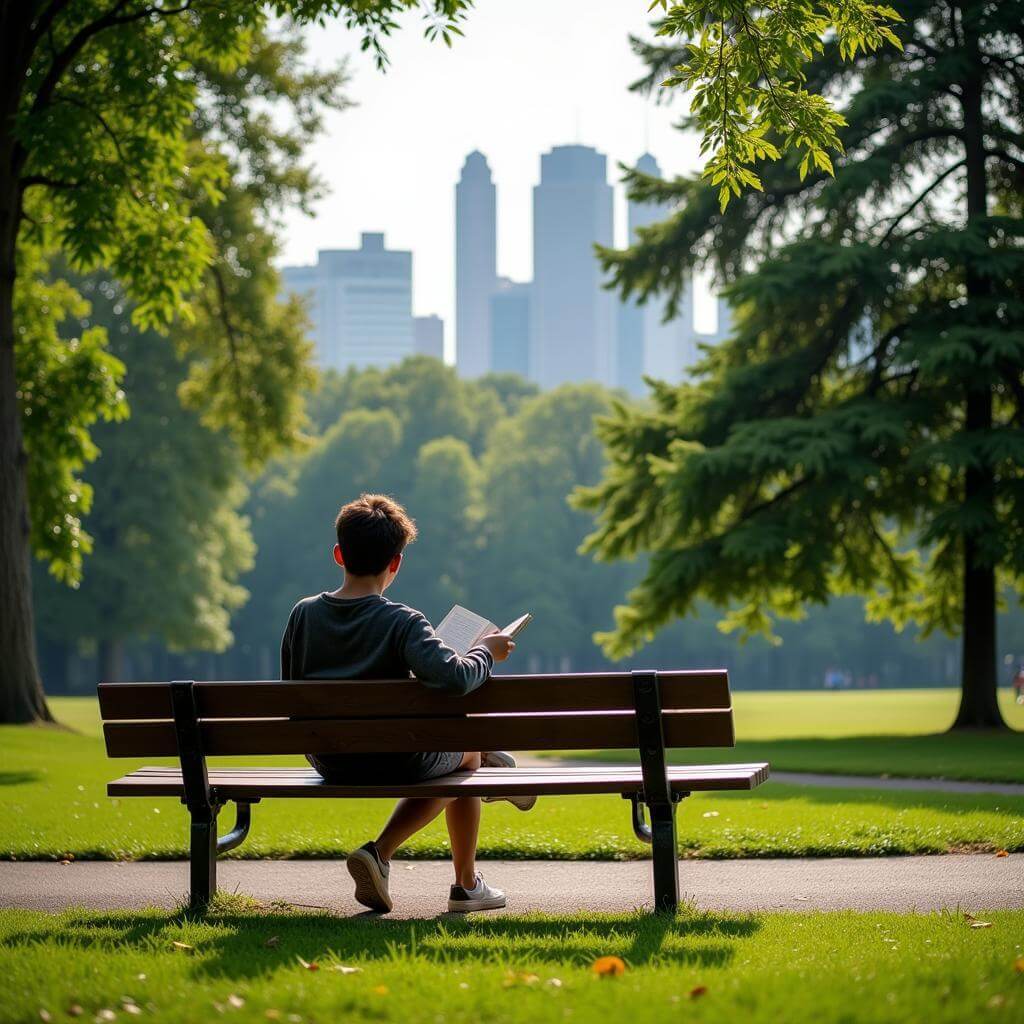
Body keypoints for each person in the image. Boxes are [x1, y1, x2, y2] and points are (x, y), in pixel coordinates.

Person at [280, 492, 534, 915]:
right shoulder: (403, 621)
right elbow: (456, 677)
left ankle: (489, 764)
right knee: (465, 758)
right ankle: (457, 881)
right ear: (395, 563)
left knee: (463, 750)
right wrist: (486, 651)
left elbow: (292, 694)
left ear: (339, 554)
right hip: (396, 758)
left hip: (328, 758)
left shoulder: (302, 615)